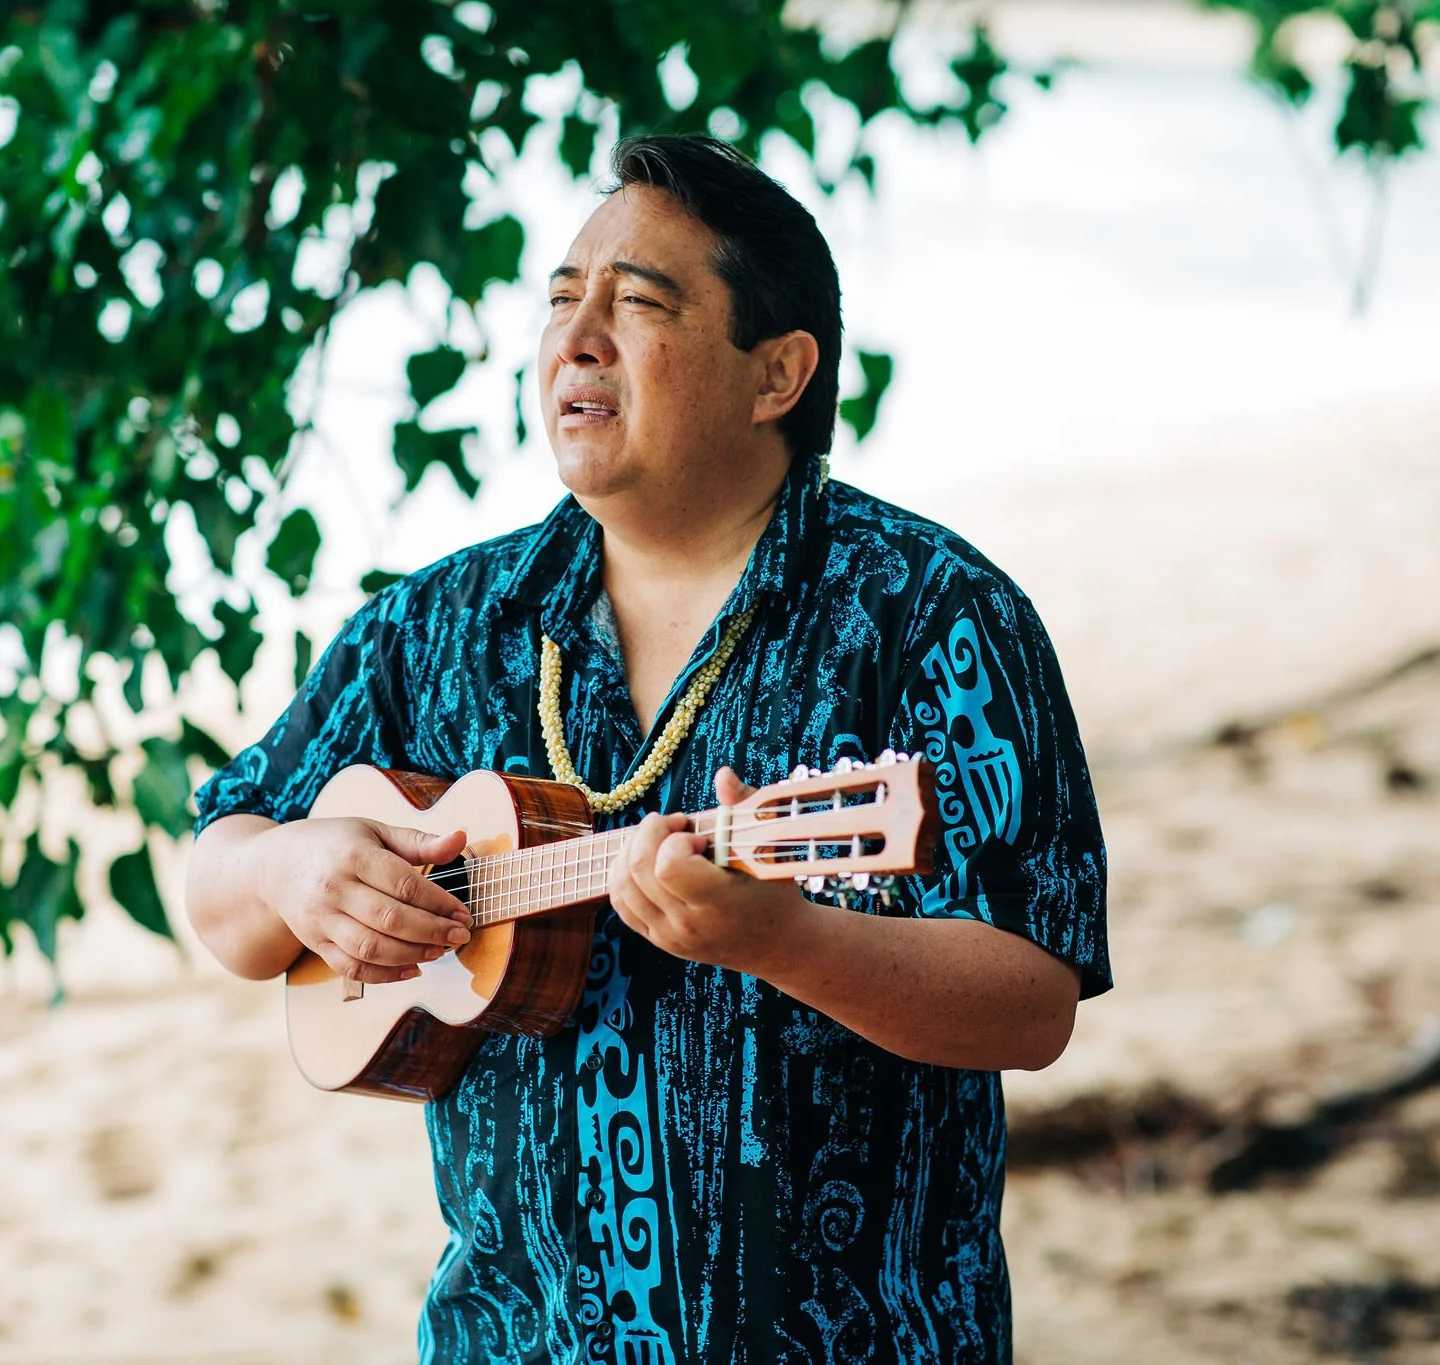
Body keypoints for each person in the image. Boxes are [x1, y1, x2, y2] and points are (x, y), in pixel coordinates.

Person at [186, 133, 1109, 1365]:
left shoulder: (933, 614)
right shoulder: (442, 623)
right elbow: (219, 879)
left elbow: (1031, 1001)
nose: (575, 338)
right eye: (563, 302)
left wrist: (785, 940)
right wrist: (290, 870)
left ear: (776, 373)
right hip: (510, 1338)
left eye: (637, 305)